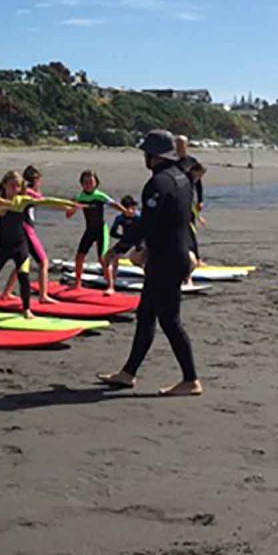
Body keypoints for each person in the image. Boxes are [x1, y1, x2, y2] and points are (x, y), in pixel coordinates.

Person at [98, 130, 202, 397]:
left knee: (169, 321)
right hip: (175, 255)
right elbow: (179, 218)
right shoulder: (183, 177)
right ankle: (128, 373)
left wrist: (118, 250)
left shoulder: (158, 183)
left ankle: (191, 380)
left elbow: (147, 223)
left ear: (152, 156)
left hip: (166, 260)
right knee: (146, 315)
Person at [0, 164, 60, 304]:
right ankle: (43, 296)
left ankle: (6, 292)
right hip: (27, 230)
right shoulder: (28, 191)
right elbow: (41, 199)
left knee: (22, 262)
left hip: (23, 229)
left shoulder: (23, 191)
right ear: (37, 179)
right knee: (43, 261)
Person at [0, 171, 37, 319]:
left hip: (20, 245)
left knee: (24, 276)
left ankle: (27, 309)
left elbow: (45, 202)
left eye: (17, 186)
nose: (14, 188)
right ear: (4, 185)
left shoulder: (23, 202)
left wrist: (67, 206)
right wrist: (3, 203)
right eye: (11, 185)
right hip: (3, 246)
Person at [69, 169, 124, 294]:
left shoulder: (99, 195)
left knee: (102, 258)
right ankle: (77, 283)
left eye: (91, 182)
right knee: (79, 257)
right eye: (85, 182)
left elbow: (113, 204)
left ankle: (110, 287)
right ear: (81, 184)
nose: (88, 184)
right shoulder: (80, 197)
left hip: (101, 230)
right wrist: (74, 207)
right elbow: (68, 214)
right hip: (89, 230)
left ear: (96, 183)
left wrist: (125, 211)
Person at [104, 194, 140, 285]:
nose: (132, 210)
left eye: (133, 207)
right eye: (129, 207)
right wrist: (121, 237)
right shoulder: (120, 218)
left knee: (138, 260)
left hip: (139, 242)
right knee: (109, 256)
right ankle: (113, 276)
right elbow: (112, 233)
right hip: (125, 242)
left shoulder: (139, 217)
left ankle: (151, 275)